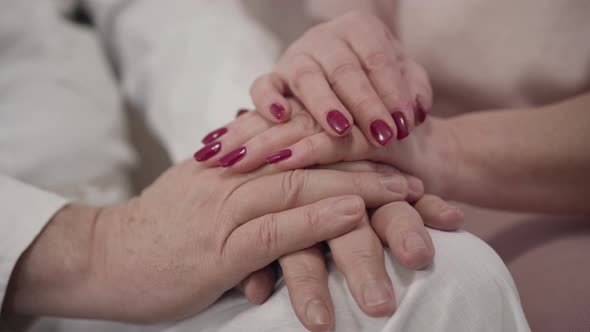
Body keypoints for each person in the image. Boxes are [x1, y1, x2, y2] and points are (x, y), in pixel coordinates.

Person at [0, 1, 530, 332]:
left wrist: (279, 149)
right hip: (39, 266)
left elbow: (172, 19)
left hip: (108, 237)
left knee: (438, 277)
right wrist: (87, 247)